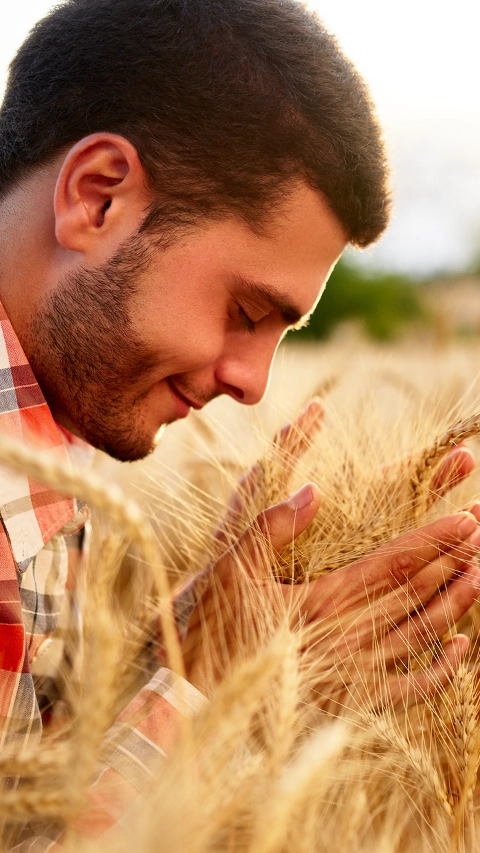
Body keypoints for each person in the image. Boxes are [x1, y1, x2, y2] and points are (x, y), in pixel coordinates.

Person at [0, 0, 479, 847]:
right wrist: (217, 690)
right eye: (247, 308)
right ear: (98, 196)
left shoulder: (39, 450)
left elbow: (24, 783)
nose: (253, 383)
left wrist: (185, 644)